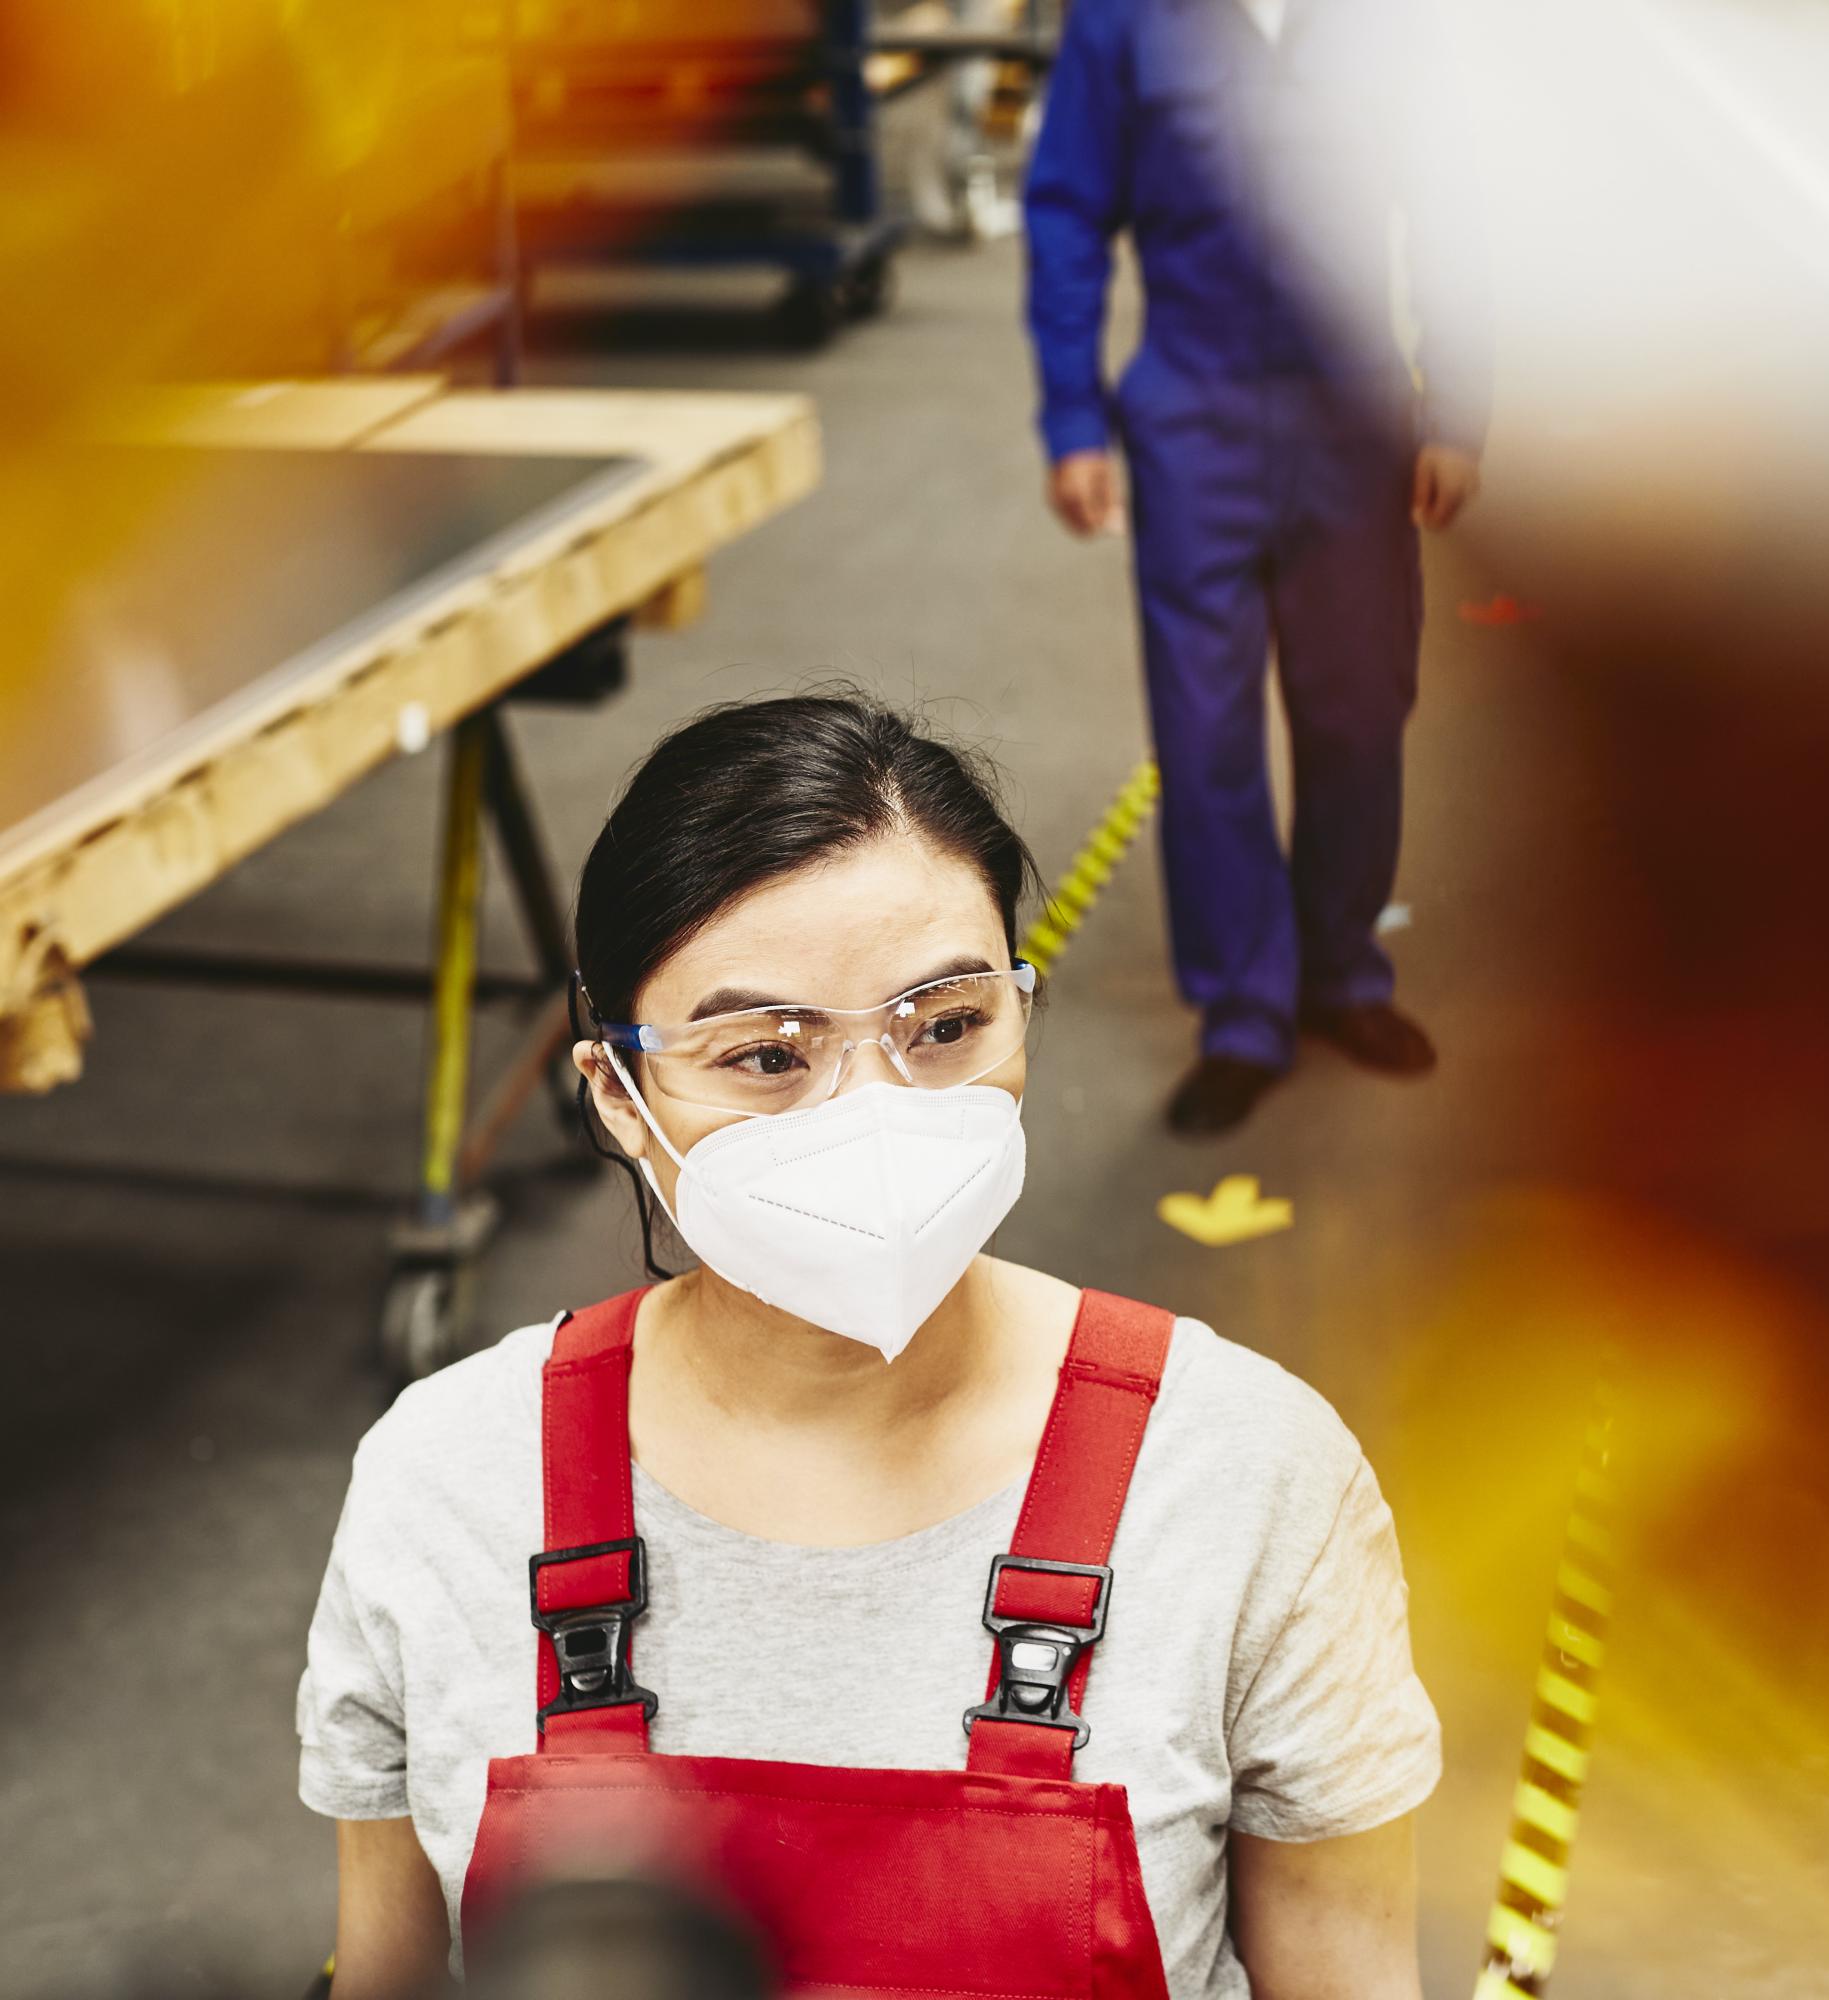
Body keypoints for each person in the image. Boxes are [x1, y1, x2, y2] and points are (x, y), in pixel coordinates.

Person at [297, 697, 1438, 1999]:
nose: (875, 1115)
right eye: (769, 1054)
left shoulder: (1242, 1472)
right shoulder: (448, 1479)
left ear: (1021, 1015)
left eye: (945, 1027)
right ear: (617, 1093)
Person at [1023, 0, 1492, 1136]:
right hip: (1197, 422)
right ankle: (1244, 1009)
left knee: (1359, 709)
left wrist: (1460, 403)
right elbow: (1069, 209)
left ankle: (1339, 977)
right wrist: (1075, 416)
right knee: (1205, 730)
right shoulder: (1127, 21)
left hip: (1357, 418)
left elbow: (1458, 204)